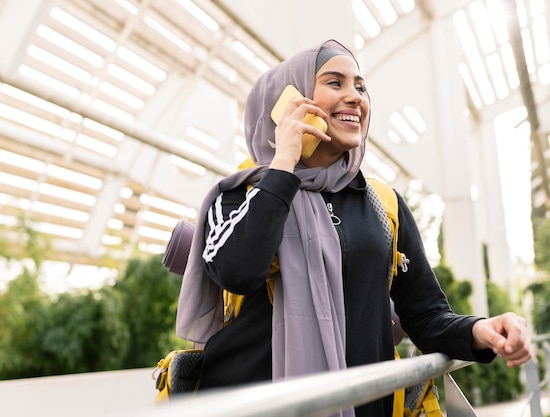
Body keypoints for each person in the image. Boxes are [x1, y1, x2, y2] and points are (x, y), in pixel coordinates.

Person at [175, 39, 531, 417]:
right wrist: (283, 165)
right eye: (335, 83)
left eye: (360, 86)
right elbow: (238, 271)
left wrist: (482, 330)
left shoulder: (382, 203)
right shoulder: (237, 195)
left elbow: (424, 315)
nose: (355, 97)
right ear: (287, 100)